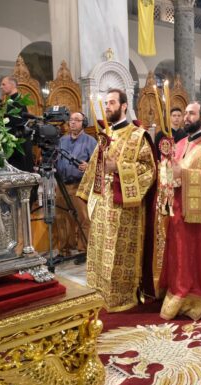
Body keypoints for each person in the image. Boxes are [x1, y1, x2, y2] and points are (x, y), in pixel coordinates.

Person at [77, 88, 156, 312]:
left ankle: (121, 297)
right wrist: (84, 196)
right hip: (102, 205)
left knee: (118, 255)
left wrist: (119, 168)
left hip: (125, 208)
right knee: (100, 251)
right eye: (106, 103)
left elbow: (149, 170)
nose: (108, 107)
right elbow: (94, 167)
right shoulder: (105, 136)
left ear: (124, 106)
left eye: (112, 102)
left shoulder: (138, 136)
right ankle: (98, 292)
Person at [157, 101, 201, 320]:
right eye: (185, 113)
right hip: (178, 210)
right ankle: (178, 291)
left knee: (197, 256)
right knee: (179, 254)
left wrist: (184, 174)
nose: (187, 117)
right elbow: (169, 175)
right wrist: (167, 172)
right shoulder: (179, 144)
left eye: (192, 114)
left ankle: (198, 295)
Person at [54, 112, 97, 260]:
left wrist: (89, 166)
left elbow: (98, 162)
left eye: (76, 120)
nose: (72, 122)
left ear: (83, 123)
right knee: (62, 218)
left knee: (84, 218)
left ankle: (83, 250)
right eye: (71, 120)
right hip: (61, 185)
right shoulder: (62, 140)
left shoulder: (90, 141)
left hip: (80, 185)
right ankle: (64, 249)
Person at [0, 76, 32, 172]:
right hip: (13, 145)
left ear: (12, 85)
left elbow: (15, 125)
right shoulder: (10, 101)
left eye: (3, 84)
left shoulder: (18, 102)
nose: (1, 87)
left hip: (19, 147)